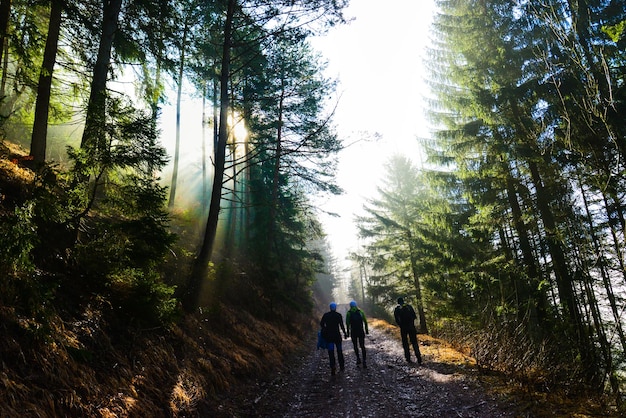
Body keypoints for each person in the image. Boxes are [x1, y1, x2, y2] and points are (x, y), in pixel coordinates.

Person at [320, 302, 347, 375]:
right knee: (339, 351)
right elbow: (341, 325)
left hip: (329, 336)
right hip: (337, 336)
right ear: (335, 307)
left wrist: (325, 328)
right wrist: (345, 333)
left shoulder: (326, 315)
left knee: (331, 352)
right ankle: (341, 366)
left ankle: (333, 367)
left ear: (330, 307)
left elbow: (321, 324)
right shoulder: (338, 315)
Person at [394, 297, 422, 364]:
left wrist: (400, 325)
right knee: (414, 342)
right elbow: (414, 316)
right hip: (411, 327)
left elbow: (396, 320)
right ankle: (418, 357)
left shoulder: (397, 309)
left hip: (403, 328)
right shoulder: (409, 307)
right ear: (403, 301)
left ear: (398, 302)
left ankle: (408, 358)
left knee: (405, 343)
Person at [346, 300, 369, 368]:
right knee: (362, 346)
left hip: (353, 332)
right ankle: (364, 361)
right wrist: (366, 330)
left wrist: (347, 333)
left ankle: (358, 358)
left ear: (350, 306)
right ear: (356, 305)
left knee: (355, 346)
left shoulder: (349, 313)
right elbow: (365, 321)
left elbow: (347, 324)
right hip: (361, 331)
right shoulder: (361, 312)